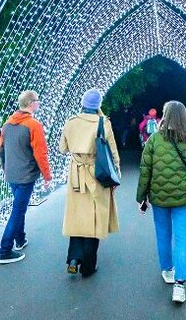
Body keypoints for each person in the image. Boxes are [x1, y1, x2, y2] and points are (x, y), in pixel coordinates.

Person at [136, 101, 186, 304]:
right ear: (185, 117)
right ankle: (179, 285)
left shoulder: (154, 140)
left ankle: (167, 270)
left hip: (159, 197)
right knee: (182, 238)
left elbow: (145, 170)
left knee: (163, 235)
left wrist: (141, 197)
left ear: (165, 116)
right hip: (185, 198)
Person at [59, 89, 120, 277]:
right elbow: (112, 152)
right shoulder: (103, 123)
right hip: (97, 174)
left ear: (83, 102)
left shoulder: (70, 122)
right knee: (94, 219)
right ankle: (88, 266)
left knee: (77, 217)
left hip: (76, 175)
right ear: (98, 105)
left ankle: (74, 258)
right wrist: (116, 174)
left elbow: (63, 148)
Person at [0, 90, 52, 264]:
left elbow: (0, 149)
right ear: (30, 103)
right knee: (18, 210)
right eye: (37, 100)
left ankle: (20, 239)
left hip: (12, 174)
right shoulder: (33, 125)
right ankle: (5, 250)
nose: (39, 103)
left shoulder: (7, 124)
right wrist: (47, 176)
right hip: (26, 175)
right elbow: (40, 153)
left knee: (19, 207)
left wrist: (6, 168)